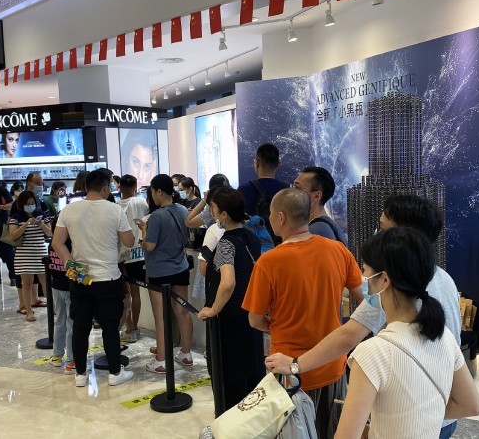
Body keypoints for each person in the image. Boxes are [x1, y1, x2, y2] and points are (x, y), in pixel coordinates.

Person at [266, 194, 463, 438]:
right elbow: (470, 401)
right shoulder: (444, 279)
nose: (377, 235)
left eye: (382, 229)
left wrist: (296, 365)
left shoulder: (388, 293)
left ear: (401, 239)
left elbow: (348, 336)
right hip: (441, 413)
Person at [334, 228, 479, 438]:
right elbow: (471, 405)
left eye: (365, 270)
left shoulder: (371, 352)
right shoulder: (444, 336)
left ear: (384, 280)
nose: (362, 277)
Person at [242, 188, 364, 439]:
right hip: (333, 365)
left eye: (272, 214)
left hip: (290, 371)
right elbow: (365, 300)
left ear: (281, 218)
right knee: (332, 430)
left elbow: (254, 320)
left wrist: (276, 325)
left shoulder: (268, 262)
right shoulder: (338, 250)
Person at [52, 169, 136, 387]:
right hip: (108, 278)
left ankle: (80, 374)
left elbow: (57, 243)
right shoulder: (115, 210)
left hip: (80, 279)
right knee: (110, 327)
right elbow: (129, 242)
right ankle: (115, 373)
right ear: (106, 187)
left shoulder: (69, 210)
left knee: (80, 327)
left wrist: (71, 264)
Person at [197, 187, 264, 411]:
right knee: (251, 376)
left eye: (213, 208)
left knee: (229, 377)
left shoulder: (226, 243)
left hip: (229, 321)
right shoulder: (251, 238)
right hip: (250, 315)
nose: (211, 211)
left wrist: (213, 309)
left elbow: (228, 282)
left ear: (223, 214)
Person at [138, 174, 194, 374]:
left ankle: (161, 359)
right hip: (180, 268)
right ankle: (186, 354)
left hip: (159, 271)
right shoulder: (182, 210)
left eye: (152, 192)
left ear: (159, 191)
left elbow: (150, 246)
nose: (152, 196)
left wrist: (143, 232)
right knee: (183, 312)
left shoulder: (157, 216)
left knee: (160, 317)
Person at [8, 191, 52, 322]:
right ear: (22, 204)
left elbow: (50, 233)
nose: (31, 206)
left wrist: (41, 224)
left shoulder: (42, 215)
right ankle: (28, 311)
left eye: (33, 203)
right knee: (27, 283)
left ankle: (52, 307)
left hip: (41, 253)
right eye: (28, 204)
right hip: (24, 255)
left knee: (46, 283)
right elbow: (13, 235)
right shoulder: (15, 217)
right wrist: (26, 224)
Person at [117, 175, 149, 343]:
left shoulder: (115, 207)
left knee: (126, 294)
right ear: (135, 187)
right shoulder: (142, 203)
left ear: (120, 187)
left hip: (123, 256)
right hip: (142, 253)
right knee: (136, 293)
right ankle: (134, 328)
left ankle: (129, 328)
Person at [293, 166, 347, 245]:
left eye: (297, 188)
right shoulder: (331, 226)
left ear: (316, 196)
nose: (290, 193)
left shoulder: (313, 233)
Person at [48, 218, 74, 374]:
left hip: (56, 287)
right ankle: (71, 360)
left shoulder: (53, 243)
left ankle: (57, 356)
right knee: (71, 323)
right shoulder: (69, 244)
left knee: (59, 321)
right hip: (70, 288)